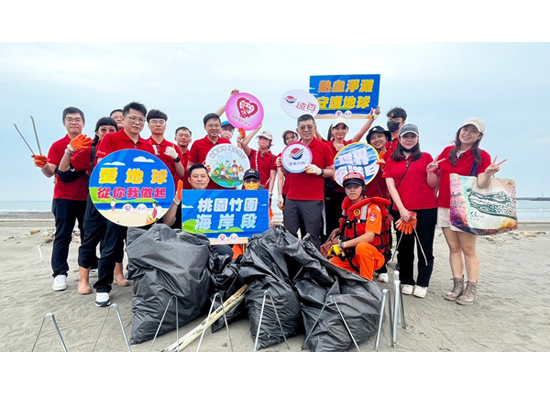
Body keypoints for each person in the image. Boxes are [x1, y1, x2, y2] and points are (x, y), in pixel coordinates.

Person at [432, 118, 505, 305]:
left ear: (479, 136)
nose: (468, 133)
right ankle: (457, 285)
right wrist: (431, 170)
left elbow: (481, 183)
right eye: (465, 129)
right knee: (453, 248)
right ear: (460, 130)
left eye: (473, 131)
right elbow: (437, 177)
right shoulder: (448, 152)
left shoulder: (482, 156)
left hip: (465, 208)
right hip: (444, 205)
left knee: (468, 249)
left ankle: (471, 288)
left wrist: (488, 173)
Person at [93, 102, 156, 307]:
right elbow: (100, 168)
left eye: (141, 119)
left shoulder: (147, 145)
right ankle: (102, 287)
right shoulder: (111, 139)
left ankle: (144, 285)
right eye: (133, 118)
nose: (137, 123)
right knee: (111, 245)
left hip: (141, 205)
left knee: (141, 245)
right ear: (124, 118)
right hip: (116, 203)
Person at [58, 117, 129, 294]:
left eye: (111, 130)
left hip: (118, 201)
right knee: (89, 239)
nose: (107, 133)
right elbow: (63, 169)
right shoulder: (90, 151)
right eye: (103, 129)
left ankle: (117, 274)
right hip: (96, 200)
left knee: (114, 240)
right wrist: (70, 149)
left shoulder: (123, 151)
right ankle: (83, 280)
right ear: (96, 132)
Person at [32, 107, 89, 292]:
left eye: (78, 119)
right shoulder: (58, 145)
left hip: (87, 197)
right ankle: (59, 274)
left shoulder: (90, 143)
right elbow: (51, 172)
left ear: (84, 123)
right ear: (63, 122)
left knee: (87, 235)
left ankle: (87, 267)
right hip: (64, 197)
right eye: (70, 119)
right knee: (63, 235)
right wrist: (42, 165)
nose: (74, 122)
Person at [383, 124, 438, 298]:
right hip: (402, 209)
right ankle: (407, 280)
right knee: (404, 247)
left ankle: (423, 281)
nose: (409, 140)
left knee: (425, 247)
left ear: (417, 138)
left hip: (426, 209)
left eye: (412, 136)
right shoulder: (391, 159)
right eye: (405, 136)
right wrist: (402, 210)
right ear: (399, 139)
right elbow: (391, 187)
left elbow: (432, 184)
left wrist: (430, 171)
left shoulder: (426, 157)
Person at [316, 109, 380, 242]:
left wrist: (372, 118)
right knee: (329, 222)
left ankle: (345, 247)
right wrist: (309, 112)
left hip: (349, 192)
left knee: (348, 221)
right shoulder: (325, 145)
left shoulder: (350, 145)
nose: (340, 131)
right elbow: (314, 131)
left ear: (346, 131)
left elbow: (361, 133)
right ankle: (328, 249)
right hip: (329, 191)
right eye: (337, 128)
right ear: (332, 131)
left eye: (343, 128)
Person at [279, 114, 335, 250]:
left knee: (312, 237)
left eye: (309, 126)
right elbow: (286, 173)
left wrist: (320, 171)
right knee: (289, 235)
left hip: (313, 199)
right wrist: (281, 164)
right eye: (302, 127)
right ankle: (292, 266)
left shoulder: (324, 147)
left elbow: (332, 171)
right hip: (292, 198)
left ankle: (313, 268)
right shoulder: (292, 148)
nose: (306, 130)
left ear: (315, 128)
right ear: (298, 130)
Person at [325, 172, 388, 281]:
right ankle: (355, 276)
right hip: (352, 256)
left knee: (362, 248)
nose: (352, 190)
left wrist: (342, 245)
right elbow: (351, 228)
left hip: (373, 255)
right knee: (330, 266)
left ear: (363, 188)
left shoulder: (372, 208)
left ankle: (366, 284)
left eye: (356, 186)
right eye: (348, 187)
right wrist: (337, 231)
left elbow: (369, 237)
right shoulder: (347, 207)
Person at [162, 164, 233, 257]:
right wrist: (176, 201)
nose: (199, 179)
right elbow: (167, 223)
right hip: (186, 240)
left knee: (225, 250)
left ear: (208, 179)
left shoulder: (217, 200)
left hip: (212, 241)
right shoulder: (183, 199)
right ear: (189, 180)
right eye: (195, 176)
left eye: (203, 176)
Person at [364, 125, 393, 283]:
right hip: (365, 201)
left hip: (383, 202)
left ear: (386, 138)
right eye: (373, 138)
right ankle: (368, 264)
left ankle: (382, 267)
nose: (377, 140)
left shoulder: (392, 155)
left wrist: (384, 168)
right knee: (367, 233)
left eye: (380, 136)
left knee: (383, 235)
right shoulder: (365, 155)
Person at [187, 113, 232, 189]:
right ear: (205, 127)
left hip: (225, 185)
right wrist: (202, 168)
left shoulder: (227, 143)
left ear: (220, 127)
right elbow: (188, 167)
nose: (214, 128)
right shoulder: (197, 144)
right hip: (205, 188)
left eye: (216, 125)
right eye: (210, 126)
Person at [146, 109, 185, 187]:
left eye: (161, 122)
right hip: (146, 188)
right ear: (148, 125)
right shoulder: (143, 144)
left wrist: (176, 158)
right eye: (154, 121)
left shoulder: (173, 147)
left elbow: (181, 173)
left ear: (165, 125)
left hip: (168, 189)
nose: (158, 125)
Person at [239, 127, 277, 196]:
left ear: (270, 142)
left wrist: (270, 192)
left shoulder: (273, 158)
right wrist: (256, 129)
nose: (262, 141)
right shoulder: (253, 153)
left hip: (263, 190)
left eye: (265, 139)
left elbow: (272, 178)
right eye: (260, 138)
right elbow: (244, 143)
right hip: (248, 187)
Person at [276, 130, 299, 212]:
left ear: (297, 137)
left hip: (303, 191)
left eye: (292, 137)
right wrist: (279, 195)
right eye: (287, 138)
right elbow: (280, 178)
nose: (290, 140)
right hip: (288, 191)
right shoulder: (281, 156)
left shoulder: (306, 153)